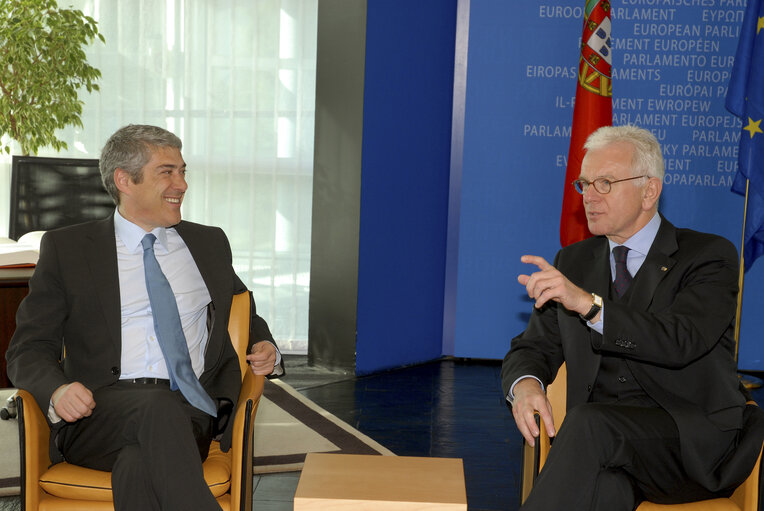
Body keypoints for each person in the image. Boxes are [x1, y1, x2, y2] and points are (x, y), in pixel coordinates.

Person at [6, 124, 285, 511]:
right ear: (125, 180)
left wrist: (265, 344)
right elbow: (28, 348)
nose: (182, 184)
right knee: (149, 424)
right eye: (167, 172)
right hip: (96, 416)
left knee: (140, 458)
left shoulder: (207, 243)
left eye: (183, 171)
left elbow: (241, 308)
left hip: (188, 412)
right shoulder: (68, 249)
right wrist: (57, 390)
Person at [502, 125, 764, 510]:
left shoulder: (708, 256)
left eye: (604, 183)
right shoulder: (572, 261)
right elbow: (533, 347)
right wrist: (525, 384)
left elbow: (680, 339)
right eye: (584, 183)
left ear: (649, 191)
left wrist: (590, 306)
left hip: (688, 443)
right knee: (606, 488)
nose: (589, 196)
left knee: (590, 424)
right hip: (608, 450)